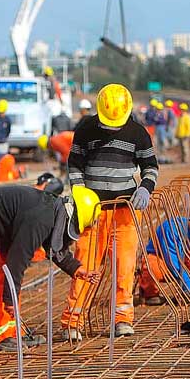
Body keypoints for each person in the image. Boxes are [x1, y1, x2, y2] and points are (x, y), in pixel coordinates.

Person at [63, 83, 159, 339]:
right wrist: (80, 193)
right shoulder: (85, 128)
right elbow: (74, 164)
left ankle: (122, 319)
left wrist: (146, 188)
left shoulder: (137, 132)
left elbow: (150, 166)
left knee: (124, 267)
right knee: (85, 265)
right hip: (92, 211)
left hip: (125, 211)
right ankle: (73, 322)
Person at [0, 185, 100, 350]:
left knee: (11, 287)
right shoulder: (39, 218)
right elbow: (17, 259)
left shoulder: (52, 210)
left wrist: (76, 269)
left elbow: (54, 246)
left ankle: (13, 334)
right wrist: (9, 299)